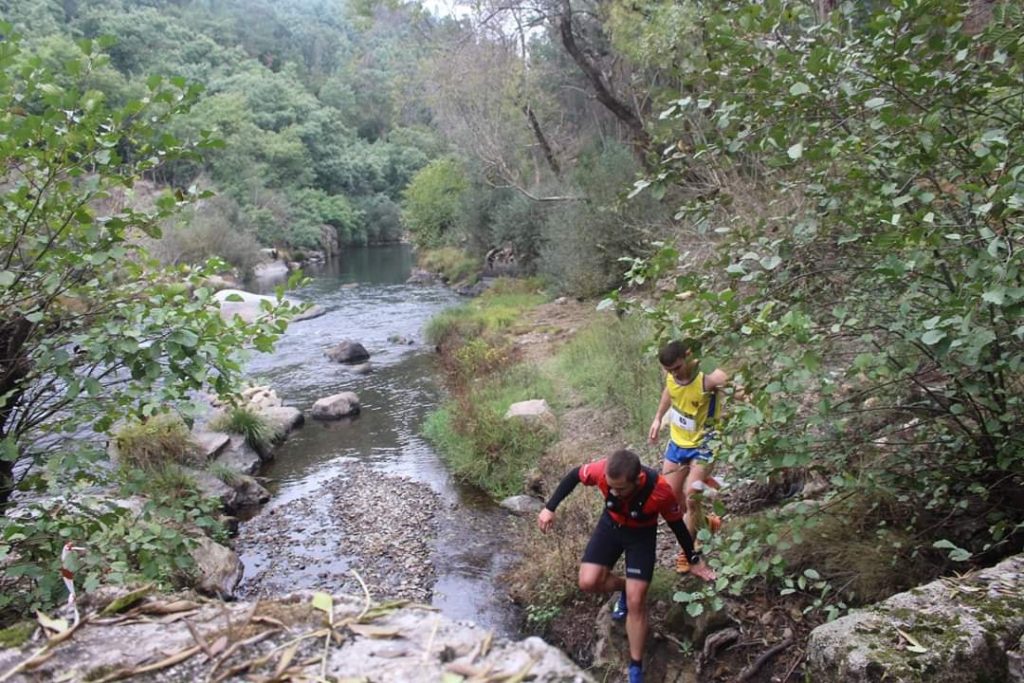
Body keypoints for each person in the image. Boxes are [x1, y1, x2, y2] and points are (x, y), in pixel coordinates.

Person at [537, 449, 715, 683]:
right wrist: (550, 507)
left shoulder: (660, 490)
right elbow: (574, 475)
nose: (613, 491)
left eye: (620, 489)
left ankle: (635, 668)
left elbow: (677, 526)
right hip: (610, 527)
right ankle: (625, 586)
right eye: (610, 486)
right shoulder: (603, 471)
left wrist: (692, 559)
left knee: (636, 601)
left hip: (640, 536)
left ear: (637, 479)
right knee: (588, 582)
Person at [648, 339, 728, 574]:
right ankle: (706, 525)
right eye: (669, 370)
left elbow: (740, 391)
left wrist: (757, 420)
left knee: (691, 497)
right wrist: (657, 417)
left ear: (689, 356)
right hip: (678, 443)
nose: (673, 373)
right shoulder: (672, 376)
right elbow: (669, 392)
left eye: (677, 368)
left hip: (704, 444)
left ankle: (688, 552)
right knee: (671, 498)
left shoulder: (708, 377)